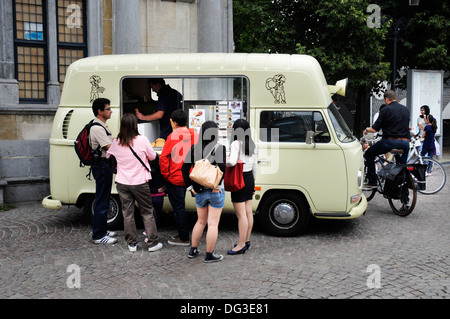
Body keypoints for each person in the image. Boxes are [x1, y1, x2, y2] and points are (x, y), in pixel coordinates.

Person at [106, 113, 162, 252]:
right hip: (140, 182)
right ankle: (152, 242)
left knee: (127, 213)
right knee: (147, 211)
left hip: (122, 182)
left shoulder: (116, 142)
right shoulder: (142, 140)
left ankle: (131, 243)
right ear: (135, 125)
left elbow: (108, 156)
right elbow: (153, 156)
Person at [182, 121, 226, 263]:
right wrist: (216, 186)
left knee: (200, 222)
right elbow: (223, 169)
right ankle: (209, 254)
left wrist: (190, 187)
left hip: (199, 191)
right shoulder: (220, 148)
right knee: (212, 224)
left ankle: (193, 249)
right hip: (214, 191)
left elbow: (184, 169)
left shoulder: (195, 148)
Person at [160, 109, 199, 246]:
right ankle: (189, 233)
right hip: (192, 176)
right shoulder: (195, 134)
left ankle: (183, 238)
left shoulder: (172, 136)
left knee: (179, 208)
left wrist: (166, 175)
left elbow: (164, 158)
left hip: (176, 178)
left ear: (175, 122)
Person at [363, 90, 410, 188]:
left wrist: (367, 129)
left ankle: (372, 181)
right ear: (395, 98)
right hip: (405, 143)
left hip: (390, 142)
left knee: (369, 154)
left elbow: (375, 129)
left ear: (386, 99)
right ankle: (404, 195)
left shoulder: (385, 110)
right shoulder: (405, 109)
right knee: (402, 167)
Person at [226, 119, 258, 255]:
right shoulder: (253, 144)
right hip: (250, 178)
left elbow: (232, 162)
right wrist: (253, 183)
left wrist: (225, 162)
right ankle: (246, 240)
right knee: (248, 212)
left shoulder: (235, 143)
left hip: (239, 179)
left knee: (241, 215)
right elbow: (256, 167)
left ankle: (240, 245)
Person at [90, 98, 118, 244]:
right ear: (100, 111)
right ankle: (98, 235)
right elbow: (108, 147)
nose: (111, 110)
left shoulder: (103, 126)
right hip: (101, 165)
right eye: (108, 108)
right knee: (101, 199)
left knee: (105, 198)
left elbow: (110, 142)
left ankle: (102, 229)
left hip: (104, 165)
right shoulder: (97, 128)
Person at [148, 154, 165, 224]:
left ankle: (150, 229)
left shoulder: (149, 172)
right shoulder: (161, 171)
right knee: (158, 213)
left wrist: (154, 190)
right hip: (160, 195)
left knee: (151, 214)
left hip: (151, 195)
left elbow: (147, 186)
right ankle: (153, 228)